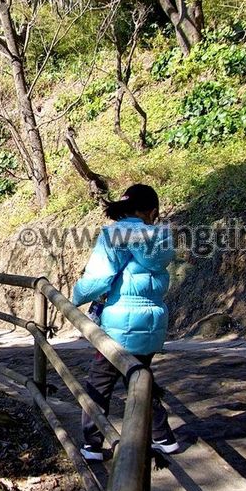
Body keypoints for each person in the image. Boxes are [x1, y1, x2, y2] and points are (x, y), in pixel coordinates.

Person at [72, 184, 180, 461]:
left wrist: (75, 296)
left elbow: (99, 278)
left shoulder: (115, 234)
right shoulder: (163, 238)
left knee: (99, 384)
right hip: (152, 324)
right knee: (138, 377)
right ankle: (164, 437)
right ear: (152, 211)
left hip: (118, 325)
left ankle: (93, 445)